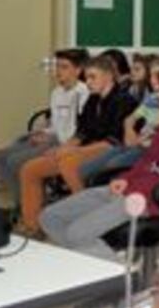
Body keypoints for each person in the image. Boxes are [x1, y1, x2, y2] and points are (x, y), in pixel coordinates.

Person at [40, 60, 159, 261]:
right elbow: (148, 159)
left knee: (76, 234)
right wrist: (126, 178)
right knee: (49, 217)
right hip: (129, 187)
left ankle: (117, 277)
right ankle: (98, 265)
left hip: (151, 199)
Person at [16, 55, 137, 236]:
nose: (88, 82)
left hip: (110, 148)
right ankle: (33, 225)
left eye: (92, 77)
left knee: (68, 162)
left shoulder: (124, 101)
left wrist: (73, 150)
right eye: (86, 77)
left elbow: (114, 139)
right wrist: (64, 147)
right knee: (30, 169)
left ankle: (80, 217)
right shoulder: (93, 100)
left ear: (109, 76)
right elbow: (82, 132)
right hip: (86, 148)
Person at [0, 48, 89, 214]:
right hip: (54, 137)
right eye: (57, 66)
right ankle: (23, 202)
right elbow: (57, 125)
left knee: (15, 161)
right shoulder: (56, 93)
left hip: (67, 143)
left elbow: (81, 130)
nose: (58, 71)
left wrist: (57, 142)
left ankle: (31, 207)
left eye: (64, 67)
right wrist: (44, 133)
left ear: (78, 70)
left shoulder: (83, 93)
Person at [78, 55, 159, 186]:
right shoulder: (153, 98)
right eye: (151, 75)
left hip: (149, 149)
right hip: (133, 144)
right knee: (83, 169)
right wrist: (129, 130)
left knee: (111, 167)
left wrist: (137, 140)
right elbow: (130, 119)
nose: (153, 80)